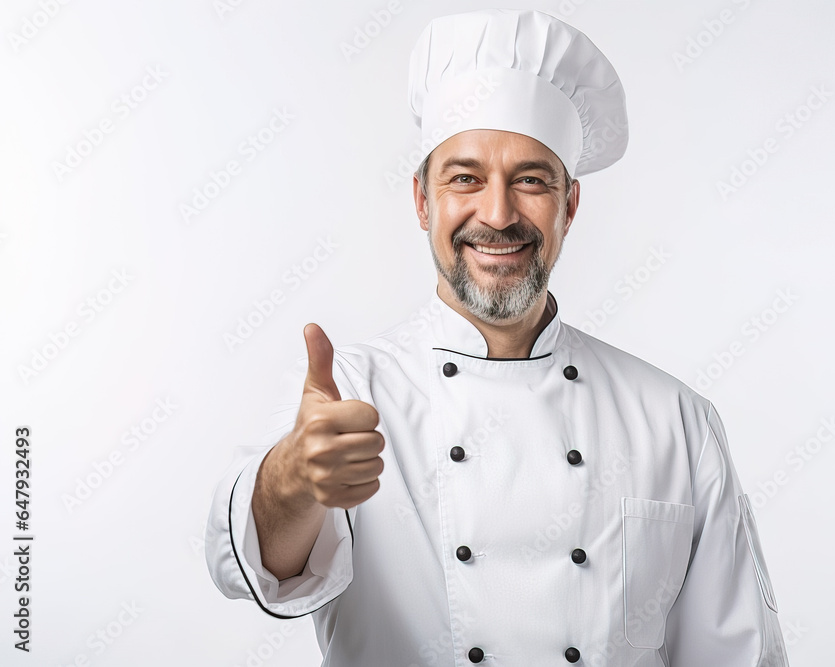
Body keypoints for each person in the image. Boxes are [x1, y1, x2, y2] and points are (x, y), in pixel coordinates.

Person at [206, 8, 790, 666]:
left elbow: (736, 656)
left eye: (531, 180)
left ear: (569, 206)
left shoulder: (674, 420)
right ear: (423, 201)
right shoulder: (348, 397)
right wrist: (295, 478)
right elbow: (254, 565)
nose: (498, 213)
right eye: (465, 178)